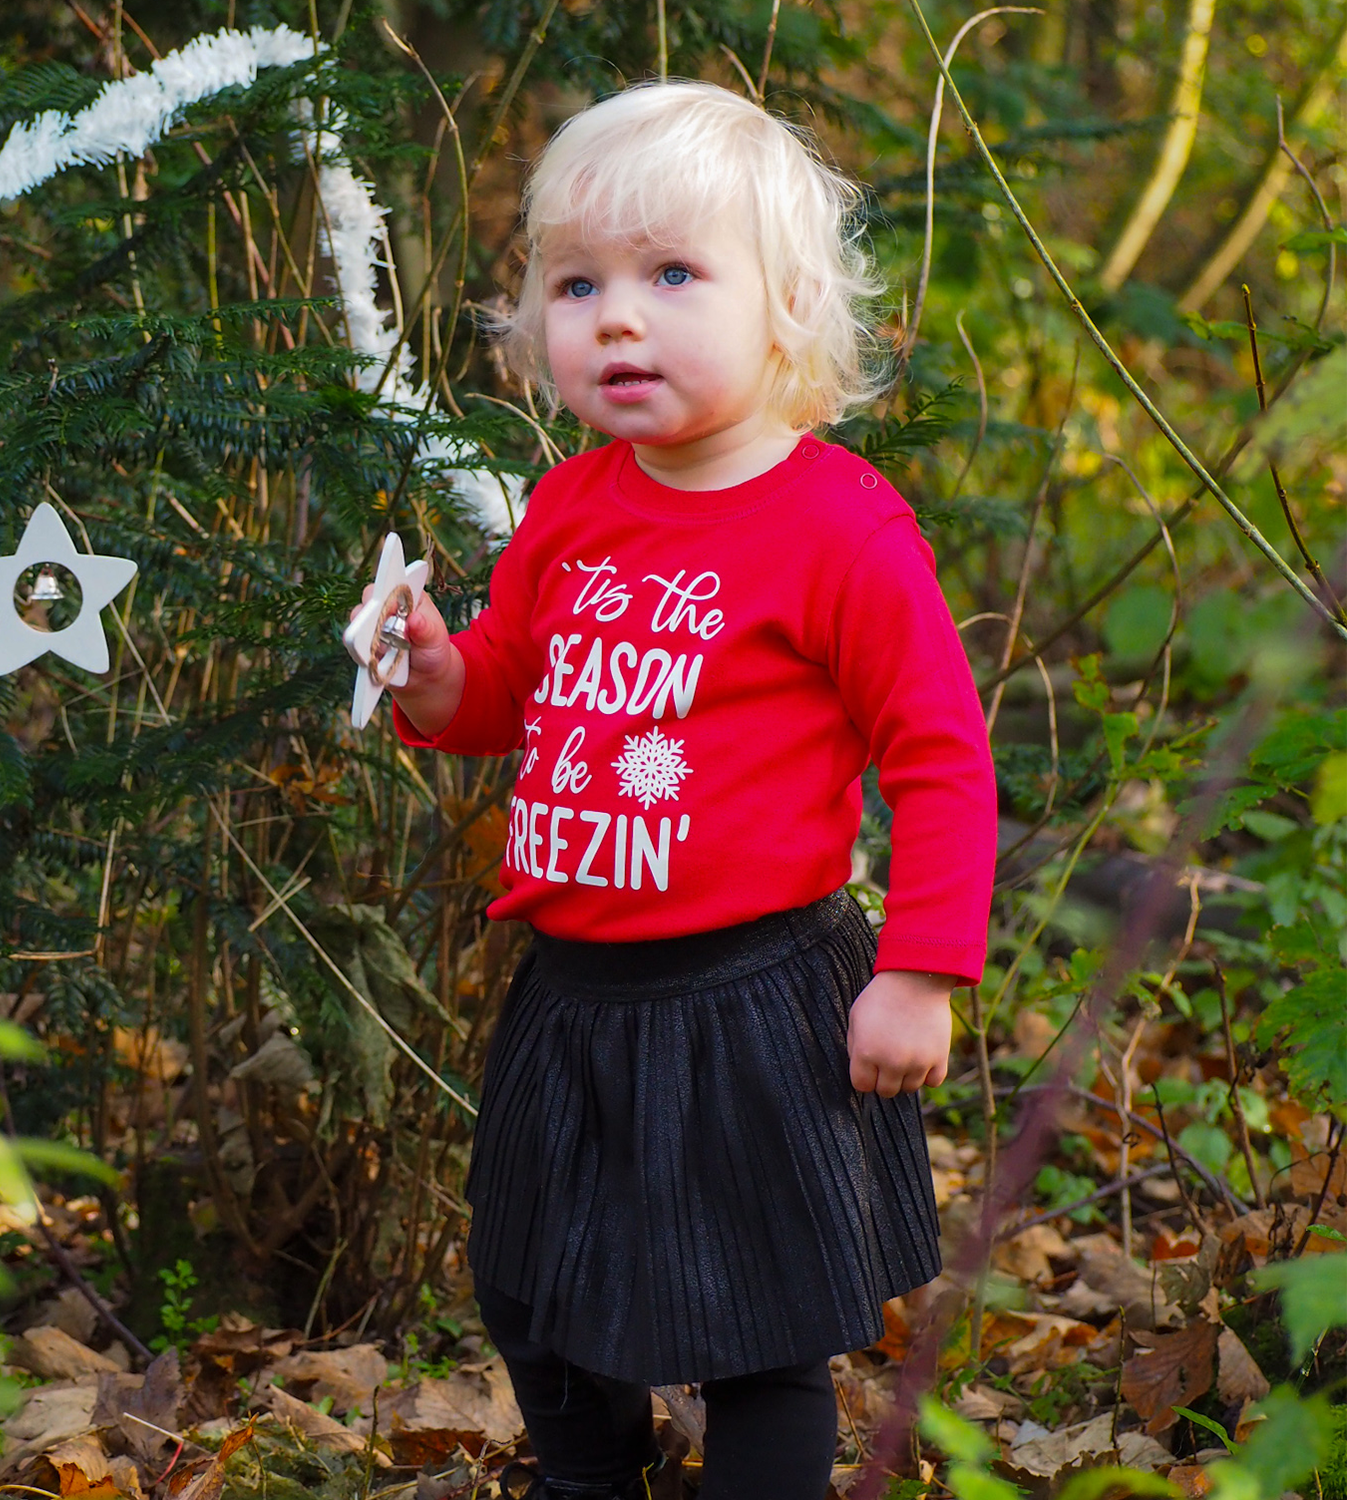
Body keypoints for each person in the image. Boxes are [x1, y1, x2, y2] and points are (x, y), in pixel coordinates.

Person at [362, 80, 997, 1500]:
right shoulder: (575, 507)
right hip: (575, 991)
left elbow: (942, 755)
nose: (618, 318)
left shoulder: (839, 526)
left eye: (670, 275)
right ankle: (596, 1476)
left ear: (785, 311)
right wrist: (424, 671)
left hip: (755, 992)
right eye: (576, 284)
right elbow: (502, 692)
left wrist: (923, 973)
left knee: (762, 1327)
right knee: (527, 1280)